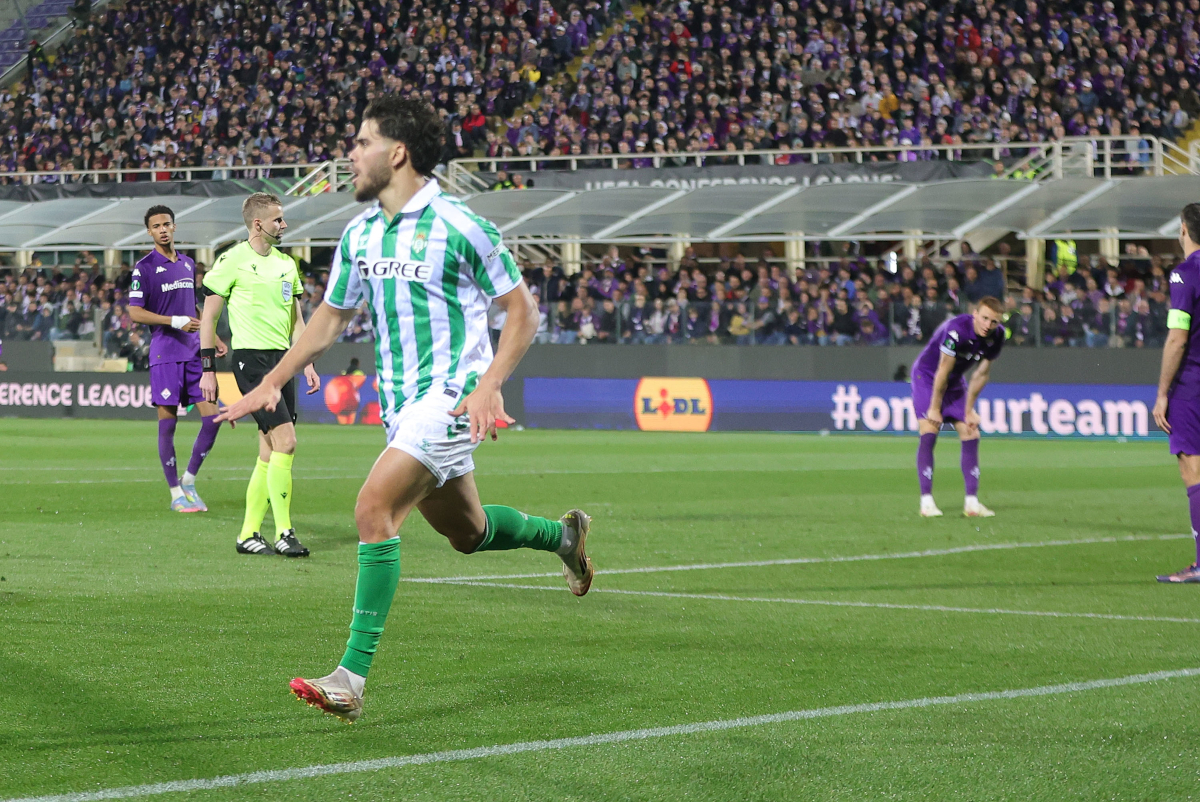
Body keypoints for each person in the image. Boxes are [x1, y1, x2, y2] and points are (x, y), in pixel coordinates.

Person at [218, 95, 593, 723]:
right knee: (467, 535)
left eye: (362, 142)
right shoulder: (361, 233)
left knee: (373, 509)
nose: (352, 154)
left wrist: (491, 382)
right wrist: (268, 383)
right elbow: (329, 319)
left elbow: (522, 311)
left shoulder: (461, 224)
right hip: (401, 405)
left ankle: (350, 677)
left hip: (451, 398)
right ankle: (563, 535)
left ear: (398, 152)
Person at [199, 193, 321, 557]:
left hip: (284, 362)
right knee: (287, 442)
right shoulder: (231, 261)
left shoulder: (286, 264)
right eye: (278, 220)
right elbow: (208, 318)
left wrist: (308, 360)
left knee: (269, 450)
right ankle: (284, 532)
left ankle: (248, 534)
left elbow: (296, 320)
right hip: (250, 362)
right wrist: (208, 370)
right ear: (258, 224)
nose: (284, 225)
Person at [126, 205, 226, 512]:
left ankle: (190, 480)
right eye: (156, 226)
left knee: (213, 418)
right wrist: (173, 321)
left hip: (195, 353)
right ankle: (175, 494)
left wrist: (213, 334)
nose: (163, 230)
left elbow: (192, 304)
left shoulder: (187, 264)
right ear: (150, 232)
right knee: (168, 426)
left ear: (174, 226)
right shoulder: (143, 268)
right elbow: (134, 312)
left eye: (167, 224)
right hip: (165, 355)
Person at [911, 297, 1005, 518]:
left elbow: (981, 373)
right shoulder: (957, 330)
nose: (988, 325)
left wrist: (969, 409)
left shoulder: (997, 336)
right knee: (930, 429)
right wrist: (935, 407)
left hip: (954, 381)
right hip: (927, 376)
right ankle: (926, 503)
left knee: (971, 430)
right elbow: (942, 368)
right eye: (984, 318)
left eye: (993, 321)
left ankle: (972, 503)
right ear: (975, 313)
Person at [1155, 203, 1200, 582]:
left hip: (1193, 386)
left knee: (1192, 468)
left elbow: (1176, 338)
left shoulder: (1184, 275)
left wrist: (1162, 393)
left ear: (1183, 229)